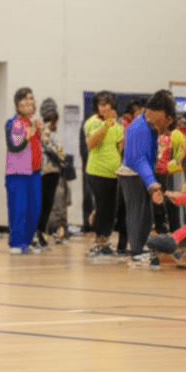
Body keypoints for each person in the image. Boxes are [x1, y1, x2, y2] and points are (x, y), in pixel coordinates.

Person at [117, 90, 177, 265]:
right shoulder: (139, 127)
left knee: (146, 215)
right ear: (158, 112)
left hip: (141, 174)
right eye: (166, 120)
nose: (165, 126)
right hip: (133, 174)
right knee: (137, 212)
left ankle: (140, 248)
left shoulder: (147, 126)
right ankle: (135, 252)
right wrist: (152, 183)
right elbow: (139, 160)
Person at [84, 91, 123, 256]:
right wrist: (106, 125)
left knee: (111, 209)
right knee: (101, 207)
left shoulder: (118, 125)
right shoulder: (92, 122)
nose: (104, 107)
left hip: (113, 173)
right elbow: (92, 143)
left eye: (107, 104)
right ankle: (97, 242)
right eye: (101, 105)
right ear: (97, 107)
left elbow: (119, 148)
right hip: (97, 172)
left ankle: (106, 240)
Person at [4, 88, 42, 254]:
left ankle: (27, 241)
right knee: (19, 208)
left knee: (34, 208)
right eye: (24, 99)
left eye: (31, 99)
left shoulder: (34, 122)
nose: (28, 102)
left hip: (34, 172)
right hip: (18, 173)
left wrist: (39, 132)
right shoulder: (14, 122)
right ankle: (16, 242)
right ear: (17, 104)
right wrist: (27, 136)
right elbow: (13, 146)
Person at [36, 98, 63, 248]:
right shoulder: (43, 129)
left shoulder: (54, 130)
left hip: (52, 171)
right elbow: (50, 147)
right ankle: (39, 233)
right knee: (43, 205)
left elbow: (59, 149)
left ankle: (41, 233)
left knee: (47, 205)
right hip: (44, 171)